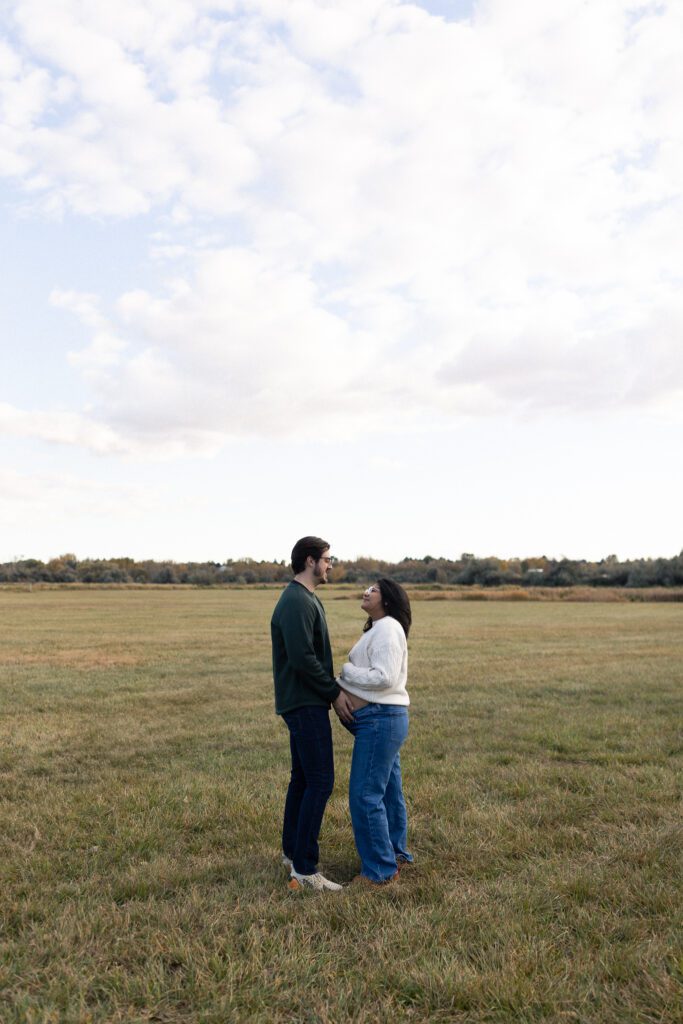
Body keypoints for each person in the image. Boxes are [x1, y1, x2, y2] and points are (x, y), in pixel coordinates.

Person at [271, 536, 354, 892]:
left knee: (304, 779)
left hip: (306, 701)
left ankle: (292, 853)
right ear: (310, 561)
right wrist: (334, 693)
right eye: (327, 559)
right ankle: (305, 869)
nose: (330, 564)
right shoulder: (295, 601)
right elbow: (303, 658)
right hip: (305, 703)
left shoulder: (305, 599)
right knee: (319, 780)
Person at [338, 578, 414, 885]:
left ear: (387, 599)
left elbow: (384, 677)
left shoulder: (387, 628)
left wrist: (345, 672)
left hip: (381, 719)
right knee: (388, 791)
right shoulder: (381, 627)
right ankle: (395, 855)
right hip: (383, 718)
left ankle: (380, 873)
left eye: (374, 589)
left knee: (365, 795)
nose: (366, 592)